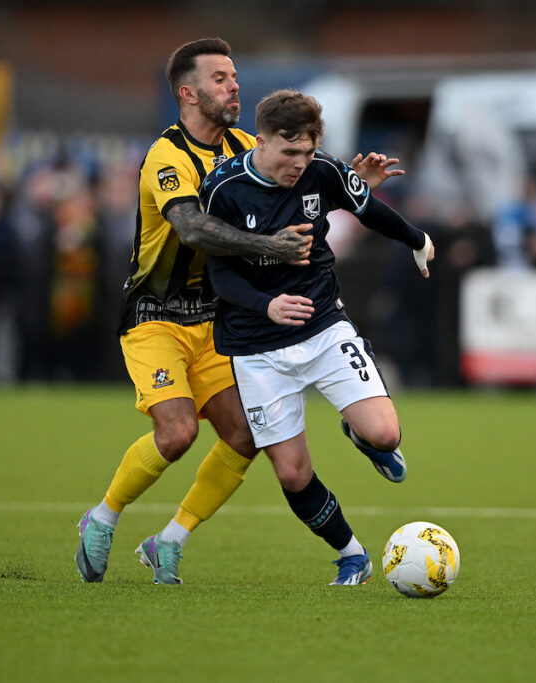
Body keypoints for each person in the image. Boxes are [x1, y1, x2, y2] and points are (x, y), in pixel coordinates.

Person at [75, 38, 400, 585]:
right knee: (177, 434)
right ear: (188, 92)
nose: (234, 85)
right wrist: (269, 247)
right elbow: (191, 227)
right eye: (221, 78)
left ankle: (170, 542)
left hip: (217, 319)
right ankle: (103, 517)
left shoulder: (249, 145)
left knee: (245, 439)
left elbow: (307, 176)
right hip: (156, 314)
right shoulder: (166, 156)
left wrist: (355, 188)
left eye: (234, 76)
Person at [199, 89, 434, 584]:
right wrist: (267, 304)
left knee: (385, 433)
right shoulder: (223, 190)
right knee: (291, 473)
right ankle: (352, 555)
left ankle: (358, 431)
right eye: (289, 153)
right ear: (259, 141)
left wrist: (417, 239)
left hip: (325, 328)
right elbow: (220, 277)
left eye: (307, 152)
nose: (299, 163)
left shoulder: (323, 170)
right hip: (257, 347)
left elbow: (366, 206)